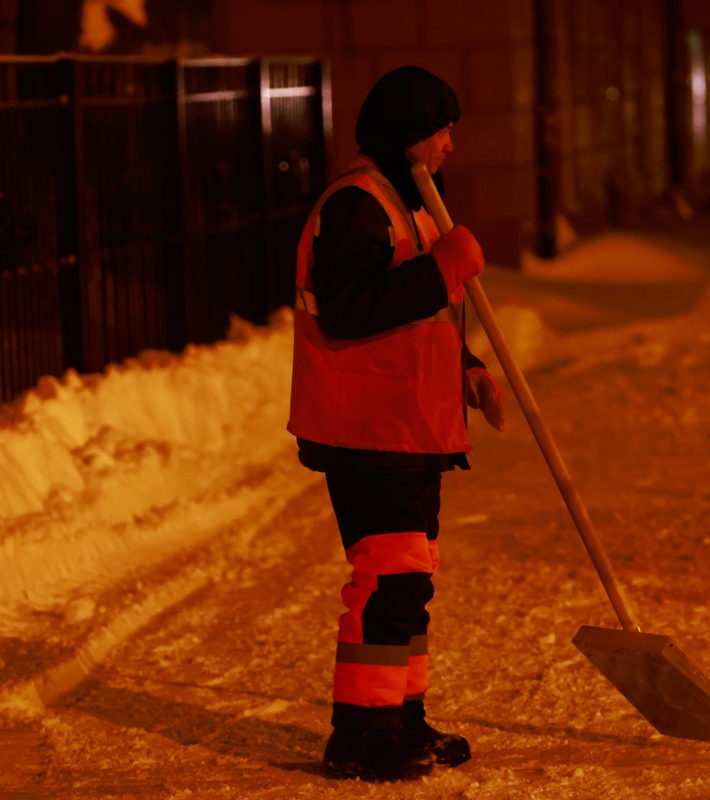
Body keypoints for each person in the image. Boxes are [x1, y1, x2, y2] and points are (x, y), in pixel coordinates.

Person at [288, 66, 506, 783]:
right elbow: (351, 305)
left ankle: (397, 716)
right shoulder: (357, 205)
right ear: (400, 139)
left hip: (408, 424)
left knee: (409, 583)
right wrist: (443, 269)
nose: (448, 145)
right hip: (367, 427)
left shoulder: (408, 204)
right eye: (436, 131)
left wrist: (467, 366)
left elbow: (419, 315)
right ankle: (363, 733)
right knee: (387, 582)